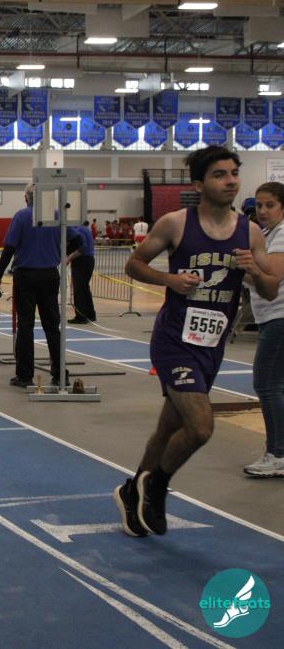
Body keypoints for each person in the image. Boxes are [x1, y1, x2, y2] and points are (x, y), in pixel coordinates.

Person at [114, 147, 278, 537]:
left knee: (169, 427)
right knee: (201, 427)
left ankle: (131, 489)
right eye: (220, 175)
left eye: (234, 173)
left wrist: (255, 271)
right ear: (199, 184)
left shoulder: (250, 231)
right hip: (175, 339)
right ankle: (157, 484)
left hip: (212, 343)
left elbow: (271, 290)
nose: (231, 181)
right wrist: (169, 280)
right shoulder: (175, 224)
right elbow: (133, 263)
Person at [0, 183, 82, 388]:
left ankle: (25, 375)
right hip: (49, 274)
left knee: (25, 325)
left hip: (25, 275)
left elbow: (9, 247)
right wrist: (58, 250)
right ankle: (60, 374)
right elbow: (78, 241)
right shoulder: (56, 216)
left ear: (27, 198)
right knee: (52, 326)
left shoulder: (21, 216)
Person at [244, 182, 284, 477]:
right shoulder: (266, 233)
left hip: (280, 317)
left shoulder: (282, 234)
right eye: (259, 205)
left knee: (267, 384)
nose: (263, 210)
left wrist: (246, 266)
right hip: (270, 317)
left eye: (270, 205)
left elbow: (273, 275)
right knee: (275, 385)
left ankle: (278, 453)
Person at [67, 222, 97, 324]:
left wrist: (68, 259)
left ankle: (80, 316)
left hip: (82, 261)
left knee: (79, 289)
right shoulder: (84, 228)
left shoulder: (78, 230)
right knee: (84, 288)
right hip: (88, 260)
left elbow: (82, 248)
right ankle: (90, 314)